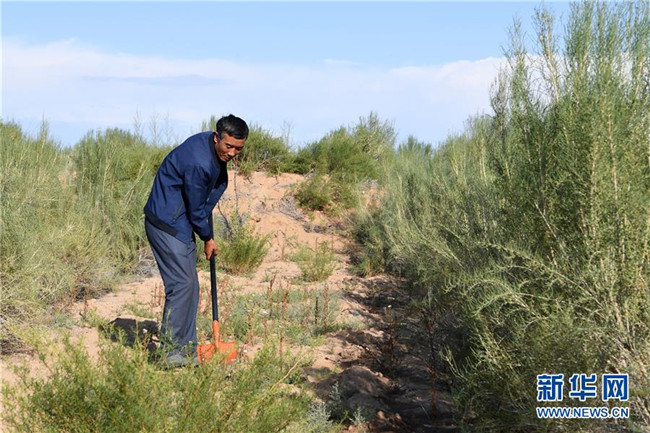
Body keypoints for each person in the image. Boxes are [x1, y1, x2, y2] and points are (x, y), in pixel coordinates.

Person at [143, 114, 248, 367]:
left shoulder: (209, 148)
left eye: (238, 149)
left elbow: (200, 201)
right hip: (167, 223)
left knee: (189, 285)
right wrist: (208, 237)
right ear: (217, 137)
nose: (232, 153)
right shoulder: (200, 162)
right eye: (228, 146)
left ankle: (185, 348)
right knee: (182, 285)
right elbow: (196, 207)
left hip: (177, 220)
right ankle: (172, 353)